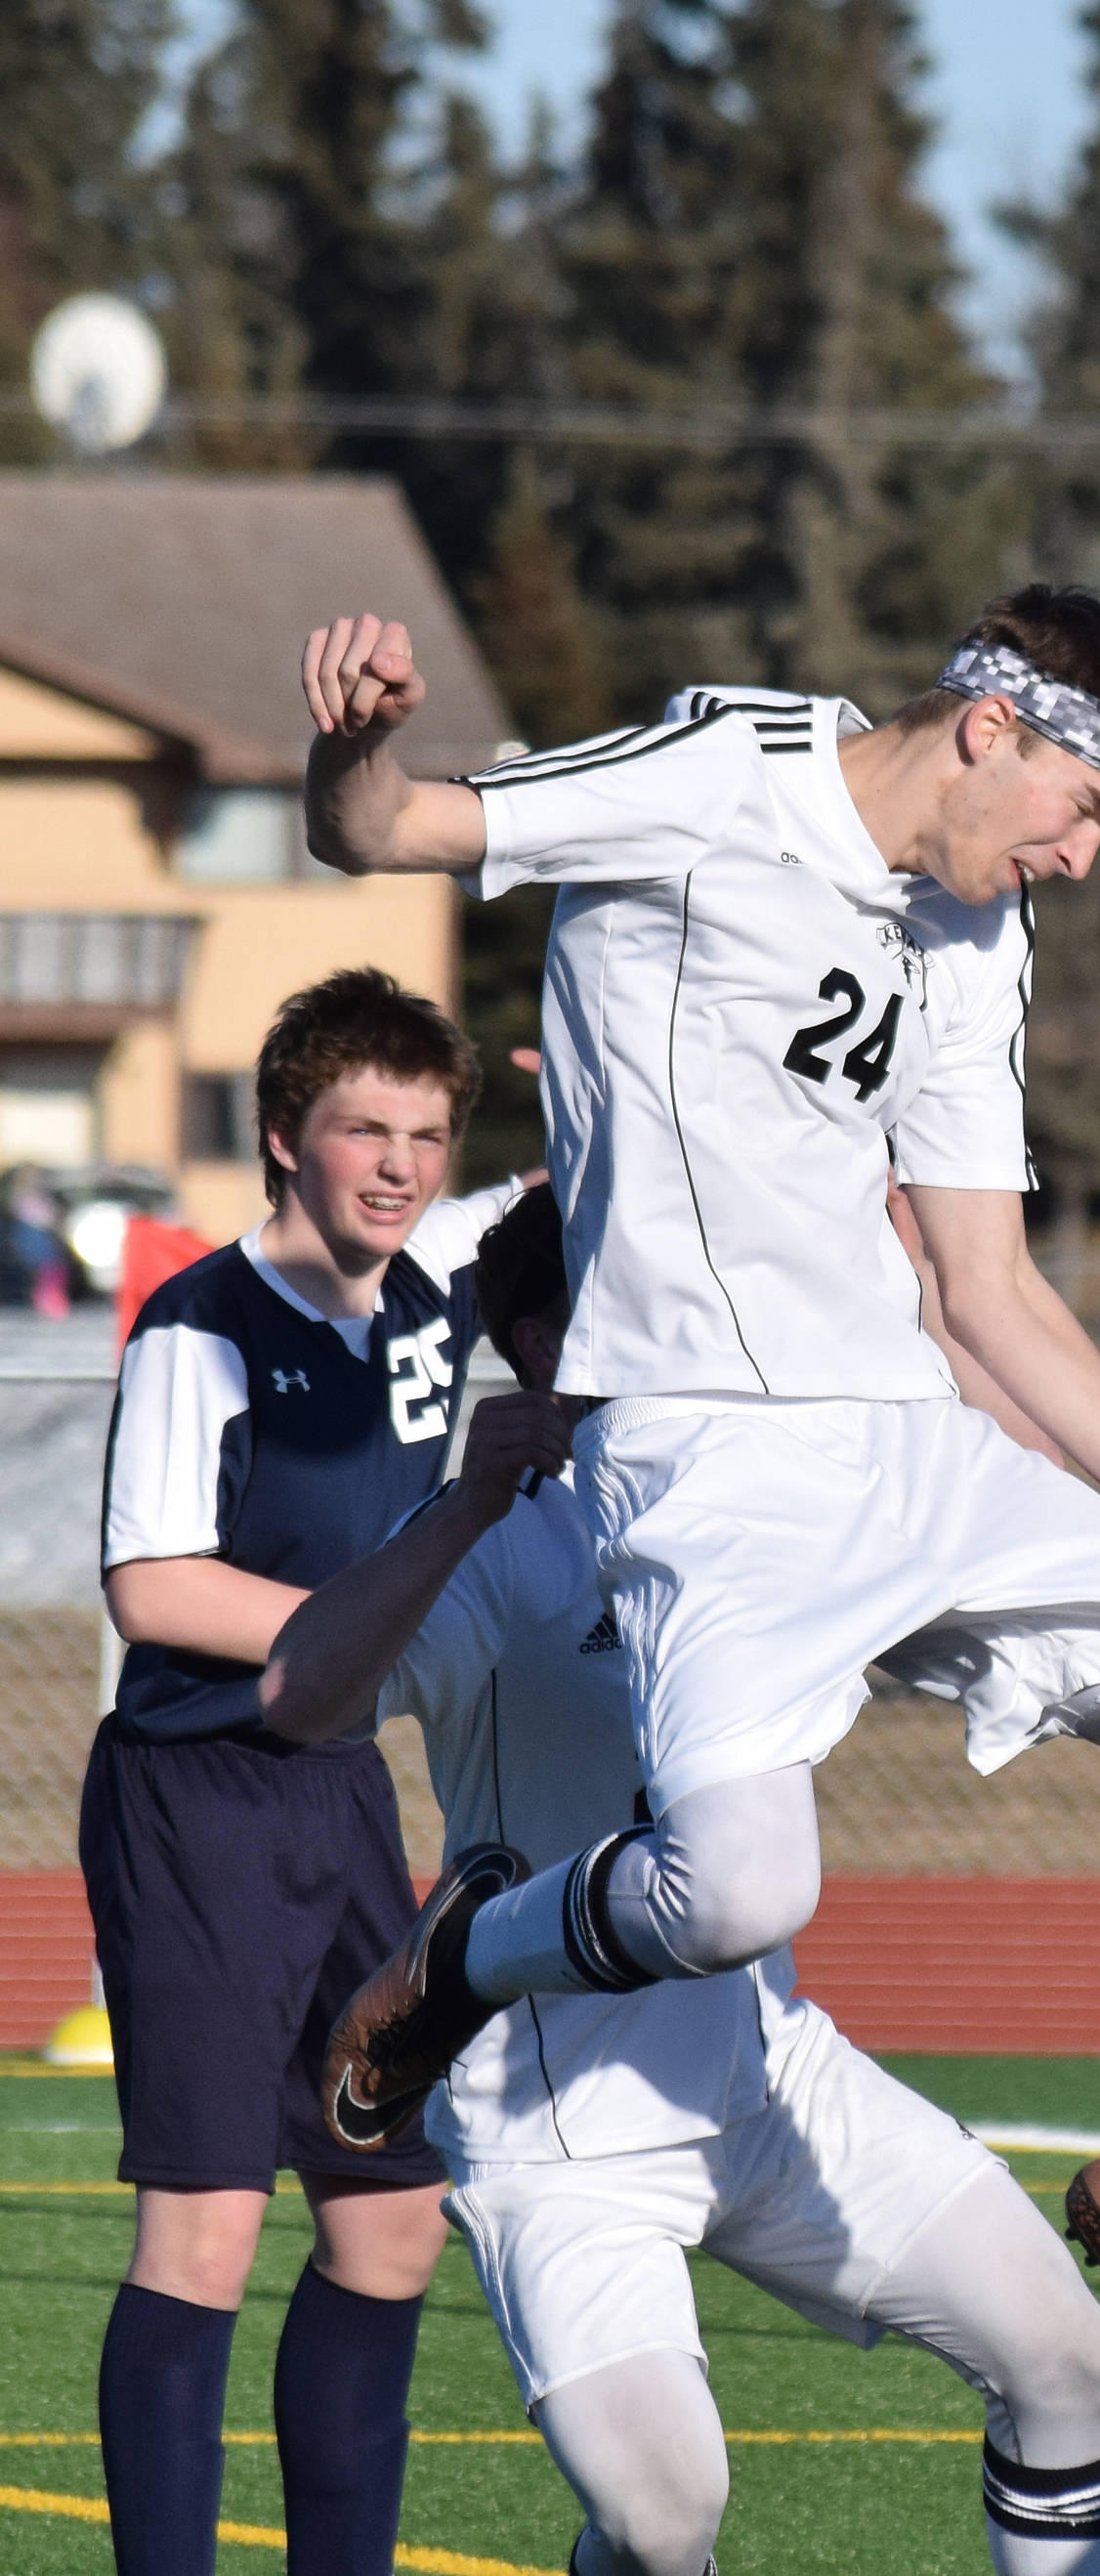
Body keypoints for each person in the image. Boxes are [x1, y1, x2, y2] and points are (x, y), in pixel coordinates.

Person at [296, 587, 1100, 2473]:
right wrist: (357, 742)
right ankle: (473, 1951)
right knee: (739, 1894)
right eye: (1086, 809)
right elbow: (383, 830)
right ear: (988, 727)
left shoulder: (977, 922)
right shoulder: (720, 770)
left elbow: (983, 1286)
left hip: (913, 1439)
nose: (1082, 858)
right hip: (713, 1459)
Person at [259, 1183, 1100, 2576]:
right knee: (666, 2522)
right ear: (541, 1343)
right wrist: (465, 1499)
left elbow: (994, 1473)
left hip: (765, 2073)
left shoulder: (768, 1489)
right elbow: (298, 1698)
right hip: (563, 2136)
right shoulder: (499, 1537)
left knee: (1064, 2357)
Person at [81, 968, 523, 2576]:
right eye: (361, 1129)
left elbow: (575, 1200)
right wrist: (384, 1624)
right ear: (287, 1138)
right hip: (196, 1807)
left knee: (393, 2217)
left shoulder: (434, 1286)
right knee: (204, 2231)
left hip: (341, 1806)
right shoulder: (199, 1325)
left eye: (422, 1132)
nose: (396, 1163)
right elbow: (156, 1586)